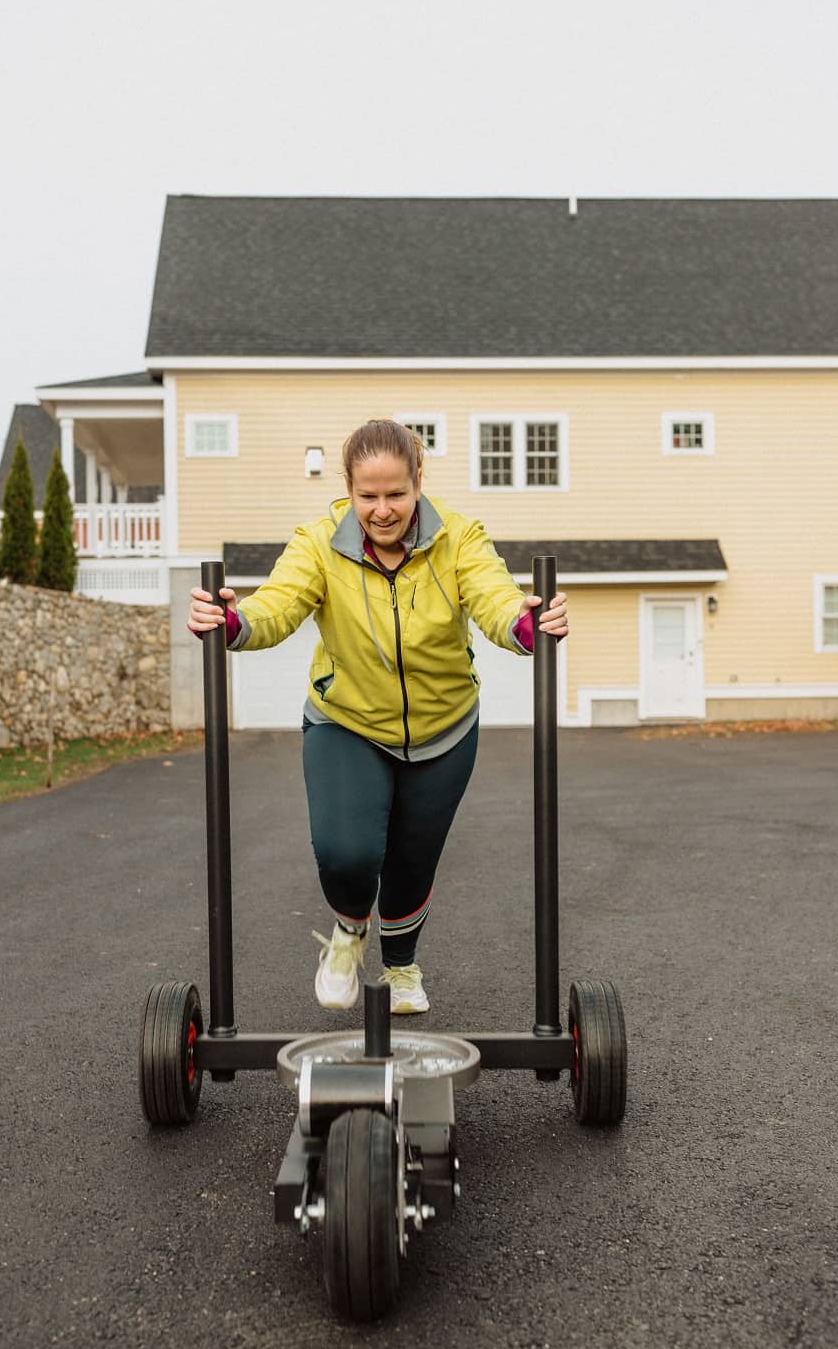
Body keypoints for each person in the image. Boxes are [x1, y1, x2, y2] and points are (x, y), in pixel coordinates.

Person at [187, 419, 568, 1016]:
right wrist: (235, 623)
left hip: (446, 729)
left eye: (396, 494)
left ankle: (400, 968)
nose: (383, 510)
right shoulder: (318, 544)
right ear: (348, 488)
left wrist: (524, 625)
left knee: (412, 861)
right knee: (348, 853)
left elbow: (495, 598)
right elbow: (278, 605)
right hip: (349, 723)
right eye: (369, 496)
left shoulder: (459, 539)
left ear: (419, 482)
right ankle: (348, 934)